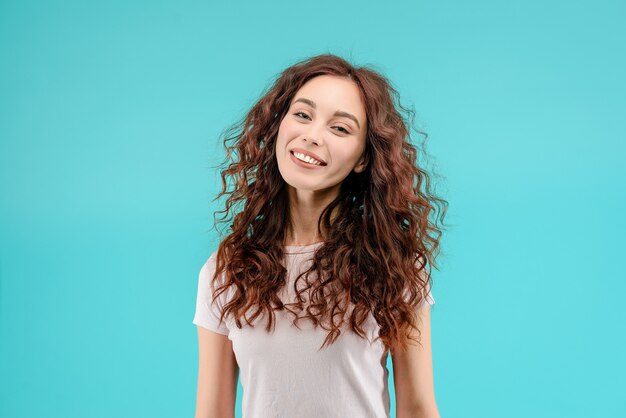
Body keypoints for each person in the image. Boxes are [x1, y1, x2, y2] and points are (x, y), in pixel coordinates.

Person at [192, 53, 448, 418]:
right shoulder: (225, 271)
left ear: (363, 158)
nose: (312, 136)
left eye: (340, 128)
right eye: (302, 115)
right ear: (278, 126)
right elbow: (212, 413)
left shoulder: (395, 266)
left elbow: (418, 408)